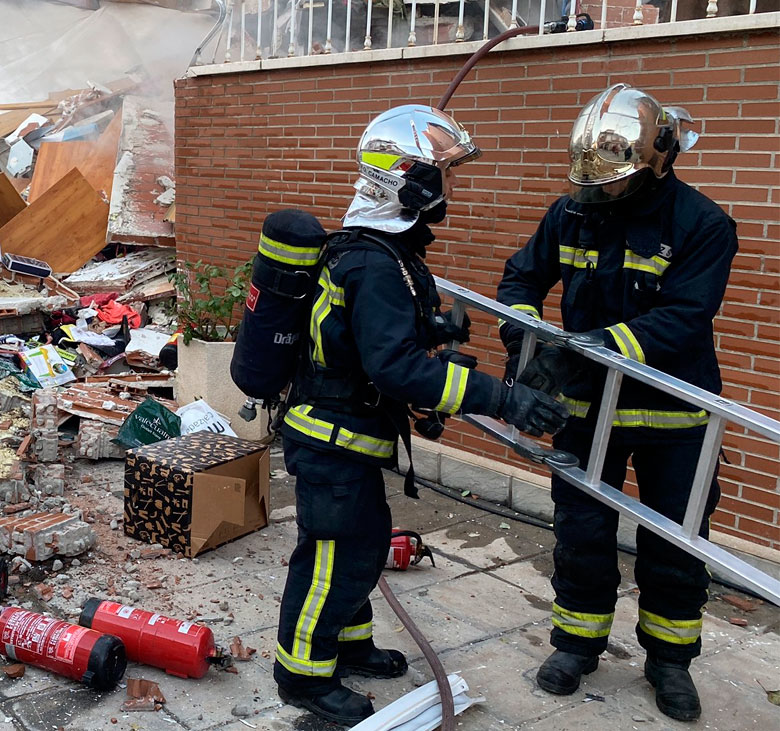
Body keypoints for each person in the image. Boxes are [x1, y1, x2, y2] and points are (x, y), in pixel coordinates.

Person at [274, 104, 570, 726]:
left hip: (350, 429)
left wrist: (432, 325)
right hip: (332, 438)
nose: (451, 187)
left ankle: (348, 647)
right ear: (407, 179)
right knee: (333, 555)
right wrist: (501, 397)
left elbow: (370, 343)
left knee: (363, 542)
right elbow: (396, 369)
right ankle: (301, 673)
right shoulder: (375, 262)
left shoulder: (382, 251)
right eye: (445, 174)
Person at [496, 83, 737, 723]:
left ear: (659, 158)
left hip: (672, 420)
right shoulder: (572, 213)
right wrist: (527, 340)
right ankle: (576, 645)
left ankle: (669, 662)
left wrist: (583, 349)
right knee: (582, 533)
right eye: (592, 181)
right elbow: (521, 278)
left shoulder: (703, 225)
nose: (599, 192)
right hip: (587, 412)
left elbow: (683, 317)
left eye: (612, 181)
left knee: (675, 545)